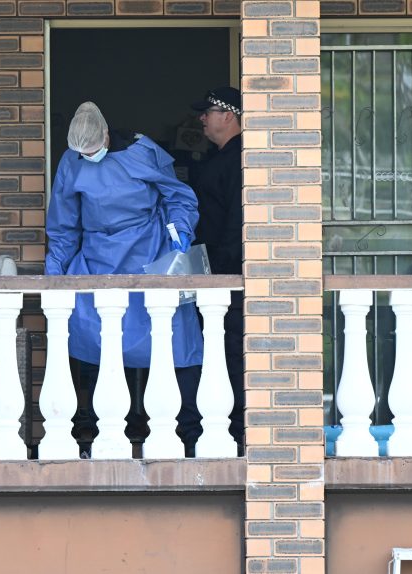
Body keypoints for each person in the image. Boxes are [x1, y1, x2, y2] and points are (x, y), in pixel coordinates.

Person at [45, 102, 204, 455]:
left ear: (105, 135)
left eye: (92, 149)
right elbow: (64, 224)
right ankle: (91, 426)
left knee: (171, 338)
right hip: (97, 255)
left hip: (145, 251)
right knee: (86, 332)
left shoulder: (142, 151)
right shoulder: (71, 162)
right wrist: (54, 271)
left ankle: (186, 431)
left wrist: (179, 230)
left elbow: (177, 196)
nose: (88, 156)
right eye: (82, 153)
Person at [189, 87, 244, 449]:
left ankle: (237, 431)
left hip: (228, 277)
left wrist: (220, 270)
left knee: (233, 354)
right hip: (211, 274)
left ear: (228, 115)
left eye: (207, 112)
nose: (202, 119)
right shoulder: (216, 158)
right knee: (214, 352)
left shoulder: (241, 160)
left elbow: (237, 223)